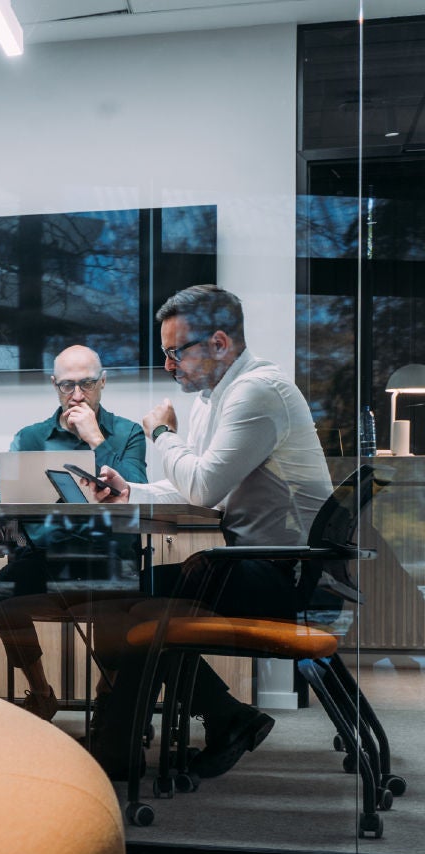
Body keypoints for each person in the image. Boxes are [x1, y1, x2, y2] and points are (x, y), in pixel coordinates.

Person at [88, 284, 332, 779]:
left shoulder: (258, 392)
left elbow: (200, 486)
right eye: (165, 354)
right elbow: (201, 487)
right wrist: (129, 491)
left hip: (289, 576)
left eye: (176, 352)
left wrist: (160, 433)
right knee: (123, 601)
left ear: (220, 343)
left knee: (133, 604)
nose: (169, 365)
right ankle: (222, 719)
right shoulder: (215, 397)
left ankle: (121, 750)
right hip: (252, 565)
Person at [0, 346, 147, 720]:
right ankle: (41, 692)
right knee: (0, 598)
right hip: (45, 558)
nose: (76, 395)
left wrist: (95, 441)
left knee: (114, 602)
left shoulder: (127, 433)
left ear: (102, 383)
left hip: (108, 559)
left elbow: (135, 491)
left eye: (86, 384)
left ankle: (108, 693)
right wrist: (31, 507)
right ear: (54, 386)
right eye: (67, 386)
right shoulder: (31, 437)